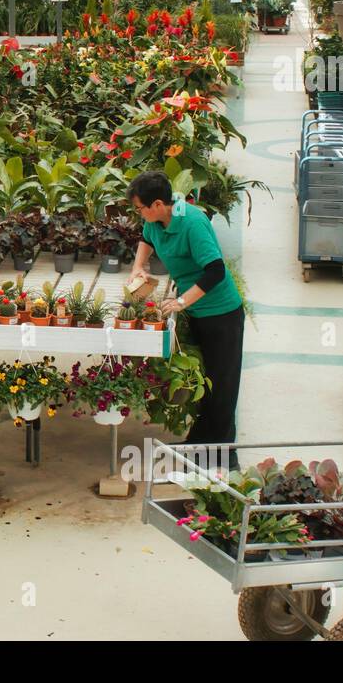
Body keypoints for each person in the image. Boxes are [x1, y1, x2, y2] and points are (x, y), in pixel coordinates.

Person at [126, 170, 244, 472]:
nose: (139, 213)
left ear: (157, 204)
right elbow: (145, 238)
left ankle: (223, 459)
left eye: (140, 207)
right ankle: (198, 445)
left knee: (223, 386)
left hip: (221, 314)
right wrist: (138, 267)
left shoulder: (192, 223)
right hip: (198, 312)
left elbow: (215, 271)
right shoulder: (156, 220)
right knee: (206, 383)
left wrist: (180, 302)